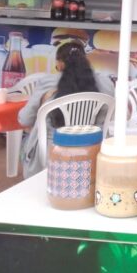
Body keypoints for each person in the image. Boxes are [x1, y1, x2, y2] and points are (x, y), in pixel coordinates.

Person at [18, 40, 115, 178]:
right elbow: (109, 117)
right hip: (92, 148)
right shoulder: (105, 82)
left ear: (60, 64)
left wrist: (42, 102)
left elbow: (24, 119)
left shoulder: (49, 82)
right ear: (85, 61)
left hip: (53, 151)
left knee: (26, 139)